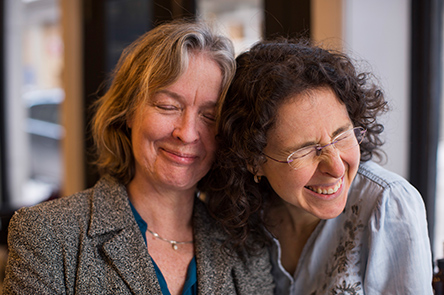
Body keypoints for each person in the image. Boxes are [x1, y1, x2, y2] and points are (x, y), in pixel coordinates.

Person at [2, 20, 274, 294]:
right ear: (128, 111)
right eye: (168, 106)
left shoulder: (246, 247)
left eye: (210, 116)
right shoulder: (48, 234)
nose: (187, 133)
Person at [206, 38, 434, 294]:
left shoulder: (388, 204)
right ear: (253, 161)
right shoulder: (240, 212)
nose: (336, 168)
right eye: (305, 150)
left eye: (342, 135)